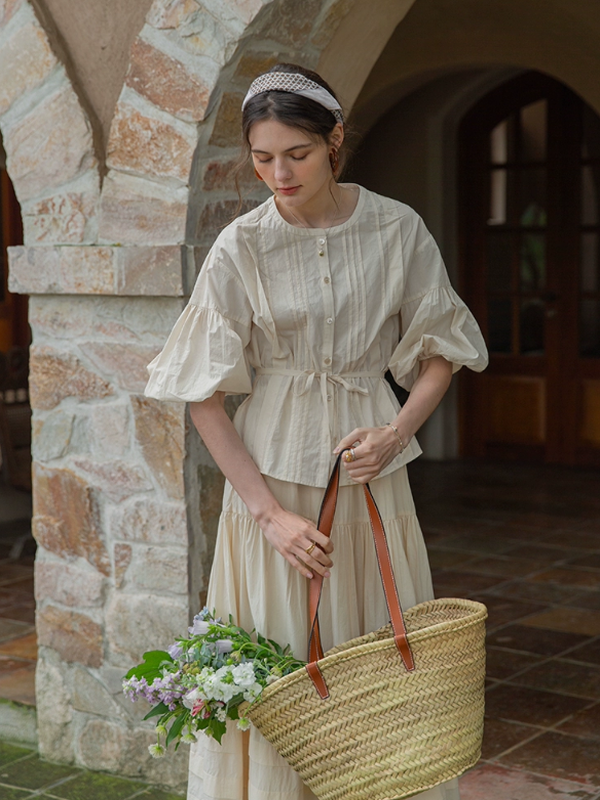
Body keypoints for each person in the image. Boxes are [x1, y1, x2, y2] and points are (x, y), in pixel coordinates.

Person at [145, 63, 488, 800]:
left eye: (295, 154)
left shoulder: (397, 227)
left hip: (373, 483)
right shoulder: (241, 246)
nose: (278, 173)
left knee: (380, 654)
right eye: (263, 158)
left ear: (335, 140)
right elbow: (198, 393)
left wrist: (397, 433)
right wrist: (267, 516)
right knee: (283, 670)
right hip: (272, 491)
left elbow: (441, 353)